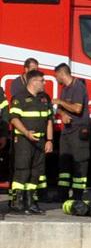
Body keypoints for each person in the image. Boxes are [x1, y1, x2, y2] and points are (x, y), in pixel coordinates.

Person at [8, 69, 54, 213]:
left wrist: (49, 140)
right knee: (22, 170)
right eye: (42, 80)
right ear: (33, 81)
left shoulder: (45, 98)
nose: (44, 83)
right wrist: (26, 132)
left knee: (36, 171)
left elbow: (49, 121)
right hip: (23, 140)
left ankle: (31, 202)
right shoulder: (19, 98)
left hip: (40, 141)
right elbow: (14, 119)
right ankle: (18, 202)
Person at [50, 63, 89, 204]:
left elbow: (78, 109)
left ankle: (78, 196)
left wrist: (60, 102)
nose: (56, 79)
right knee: (64, 163)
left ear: (62, 73)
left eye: (56, 76)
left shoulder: (78, 87)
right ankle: (62, 194)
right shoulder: (65, 89)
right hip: (66, 131)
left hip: (78, 130)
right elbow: (60, 109)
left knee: (79, 162)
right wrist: (62, 114)